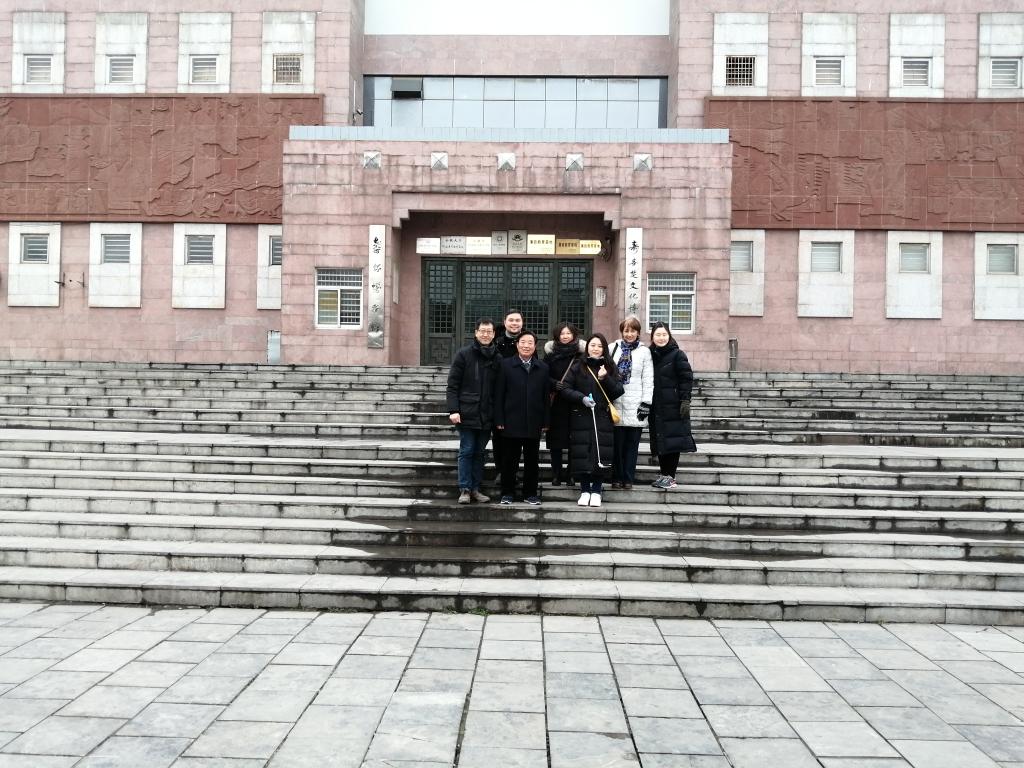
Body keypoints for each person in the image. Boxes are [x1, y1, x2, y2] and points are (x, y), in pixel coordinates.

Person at [559, 333, 624, 508]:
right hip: (581, 416)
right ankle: (584, 490)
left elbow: (618, 391)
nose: (595, 349)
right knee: (583, 453)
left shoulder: (609, 366)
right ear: (587, 347)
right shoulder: (578, 365)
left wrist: (605, 378)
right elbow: (565, 388)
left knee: (600, 454)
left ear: (604, 349)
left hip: (602, 417)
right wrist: (581, 398)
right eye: (592, 345)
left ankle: (596, 491)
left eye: (599, 346)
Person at [445, 318, 500, 504]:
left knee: (479, 453)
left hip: (487, 414)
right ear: (476, 333)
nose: (485, 334)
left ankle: (475, 488)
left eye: (489, 331)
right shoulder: (464, 354)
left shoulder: (497, 357)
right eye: (482, 331)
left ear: (494, 334)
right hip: (467, 412)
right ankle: (465, 489)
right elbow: (453, 385)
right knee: (467, 450)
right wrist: (453, 409)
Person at [494, 331, 550, 505]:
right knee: (509, 461)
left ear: (535, 346)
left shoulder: (542, 368)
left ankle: (530, 493)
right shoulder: (505, 365)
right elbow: (498, 394)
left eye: (530, 343)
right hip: (511, 420)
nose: (526, 346)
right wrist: (499, 419)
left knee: (532, 461)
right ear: (517, 345)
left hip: (534, 421)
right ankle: (507, 493)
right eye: (523, 342)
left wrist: (546, 421)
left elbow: (545, 397)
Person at [647, 321, 697, 490]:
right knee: (661, 439)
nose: (661, 338)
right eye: (658, 335)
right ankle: (664, 474)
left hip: (674, 406)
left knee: (673, 441)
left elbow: (686, 378)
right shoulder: (650, 354)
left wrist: (685, 400)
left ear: (669, 336)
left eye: (664, 335)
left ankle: (671, 477)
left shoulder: (677, 354)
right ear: (652, 337)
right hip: (656, 406)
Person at [609, 315, 654, 490]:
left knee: (632, 446)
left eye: (633, 331)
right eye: (626, 331)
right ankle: (616, 477)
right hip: (617, 403)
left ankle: (628, 478)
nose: (629, 334)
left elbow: (648, 379)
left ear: (638, 333)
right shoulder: (613, 348)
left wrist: (646, 403)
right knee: (617, 446)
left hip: (636, 405)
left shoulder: (644, 352)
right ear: (622, 332)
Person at [542, 322, 584, 486]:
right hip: (556, 403)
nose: (565, 336)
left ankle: (571, 473)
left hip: (574, 401)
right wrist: (553, 383)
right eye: (562, 333)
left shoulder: (581, 355)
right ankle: (556, 473)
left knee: (574, 440)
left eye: (568, 333)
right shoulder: (550, 354)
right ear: (557, 336)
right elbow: (543, 375)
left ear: (574, 335)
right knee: (556, 442)